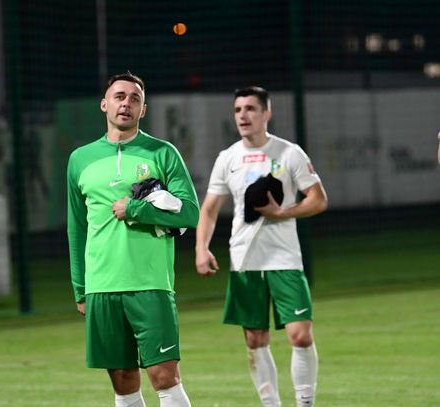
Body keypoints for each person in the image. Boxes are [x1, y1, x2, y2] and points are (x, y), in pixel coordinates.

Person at [67, 72, 199, 407]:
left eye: (135, 98)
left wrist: (136, 209)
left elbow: (189, 213)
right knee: (123, 382)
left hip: (150, 283)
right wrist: (81, 288)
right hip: (101, 286)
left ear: (143, 109)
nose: (126, 103)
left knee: (165, 377)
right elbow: (77, 228)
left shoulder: (163, 153)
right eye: (119, 96)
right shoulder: (80, 159)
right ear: (104, 104)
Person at [195, 86, 328, 407]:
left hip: (285, 258)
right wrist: (202, 247)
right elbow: (209, 208)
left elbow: (318, 199)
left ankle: (305, 403)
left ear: (266, 113)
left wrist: (283, 213)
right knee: (256, 339)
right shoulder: (228, 158)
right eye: (238, 109)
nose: (243, 115)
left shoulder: (289, 153)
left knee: (300, 335)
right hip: (245, 259)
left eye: (251, 108)